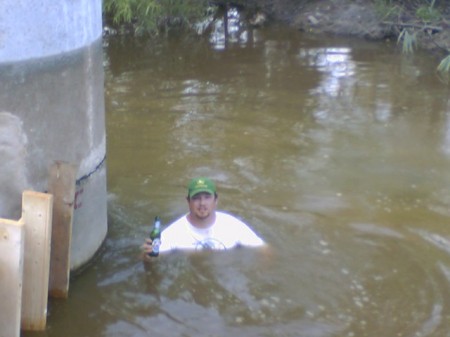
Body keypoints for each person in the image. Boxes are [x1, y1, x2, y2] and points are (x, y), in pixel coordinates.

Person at [142, 177, 265, 257]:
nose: (202, 203)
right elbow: (152, 260)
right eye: (196, 198)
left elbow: (265, 251)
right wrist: (147, 257)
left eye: (207, 197)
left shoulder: (232, 226)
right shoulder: (174, 233)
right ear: (188, 201)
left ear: (216, 200)